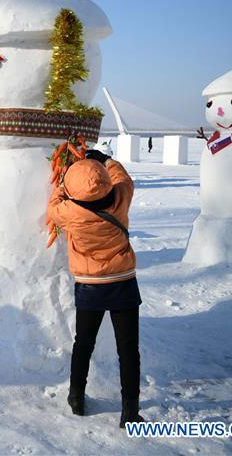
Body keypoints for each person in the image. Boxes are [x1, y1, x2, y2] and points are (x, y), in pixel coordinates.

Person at [47, 149, 144, 427]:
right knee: (128, 349)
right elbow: (123, 177)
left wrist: (65, 183)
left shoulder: (69, 212)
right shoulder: (121, 198)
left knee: (83, 344)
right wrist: (106, 161)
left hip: (90, 287)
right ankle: (130, 409)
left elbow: (53, 204)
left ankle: (76, 396)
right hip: (124, 282)